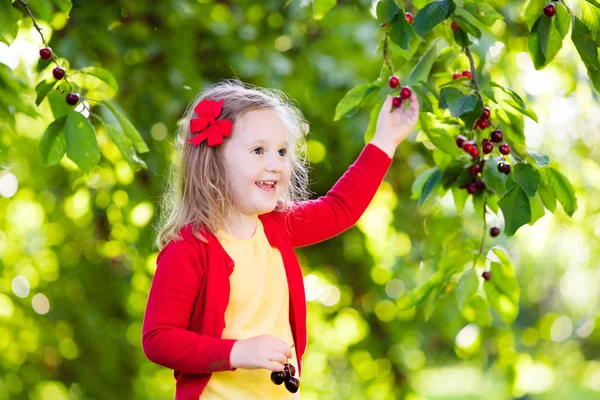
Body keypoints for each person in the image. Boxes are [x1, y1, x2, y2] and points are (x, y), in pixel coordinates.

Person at [142, 79, 419, 399]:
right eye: (258, 150)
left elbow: (341, 208)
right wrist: (238, 352)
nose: (275, 164)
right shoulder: (189, 248)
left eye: (282, 151)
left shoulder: (277, 226)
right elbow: (159, 338)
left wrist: (386, 138)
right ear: (214, 162)